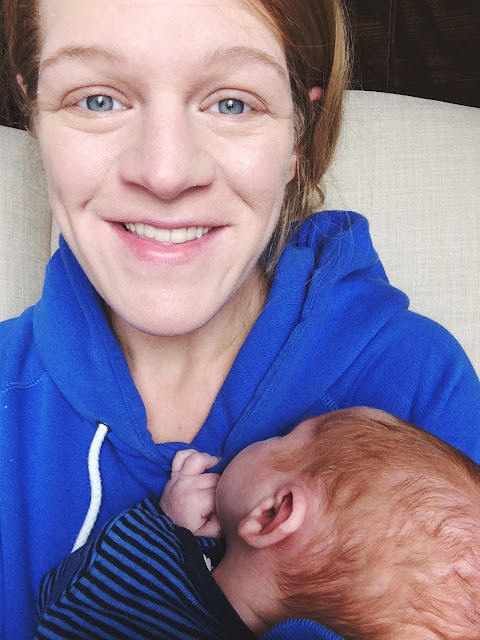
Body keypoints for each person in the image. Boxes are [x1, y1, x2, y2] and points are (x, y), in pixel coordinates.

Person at [1, 0, 479, 637]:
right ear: (34, 111)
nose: (166, 174)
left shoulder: (420, 384)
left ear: (299, 135)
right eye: (98, 100)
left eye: (232, 103)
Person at [34, 407, 480, 640]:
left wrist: (164, 521)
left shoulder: (148, 585)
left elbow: (55, 598)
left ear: (271, 514)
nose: (272, 434)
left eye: (284, 437)